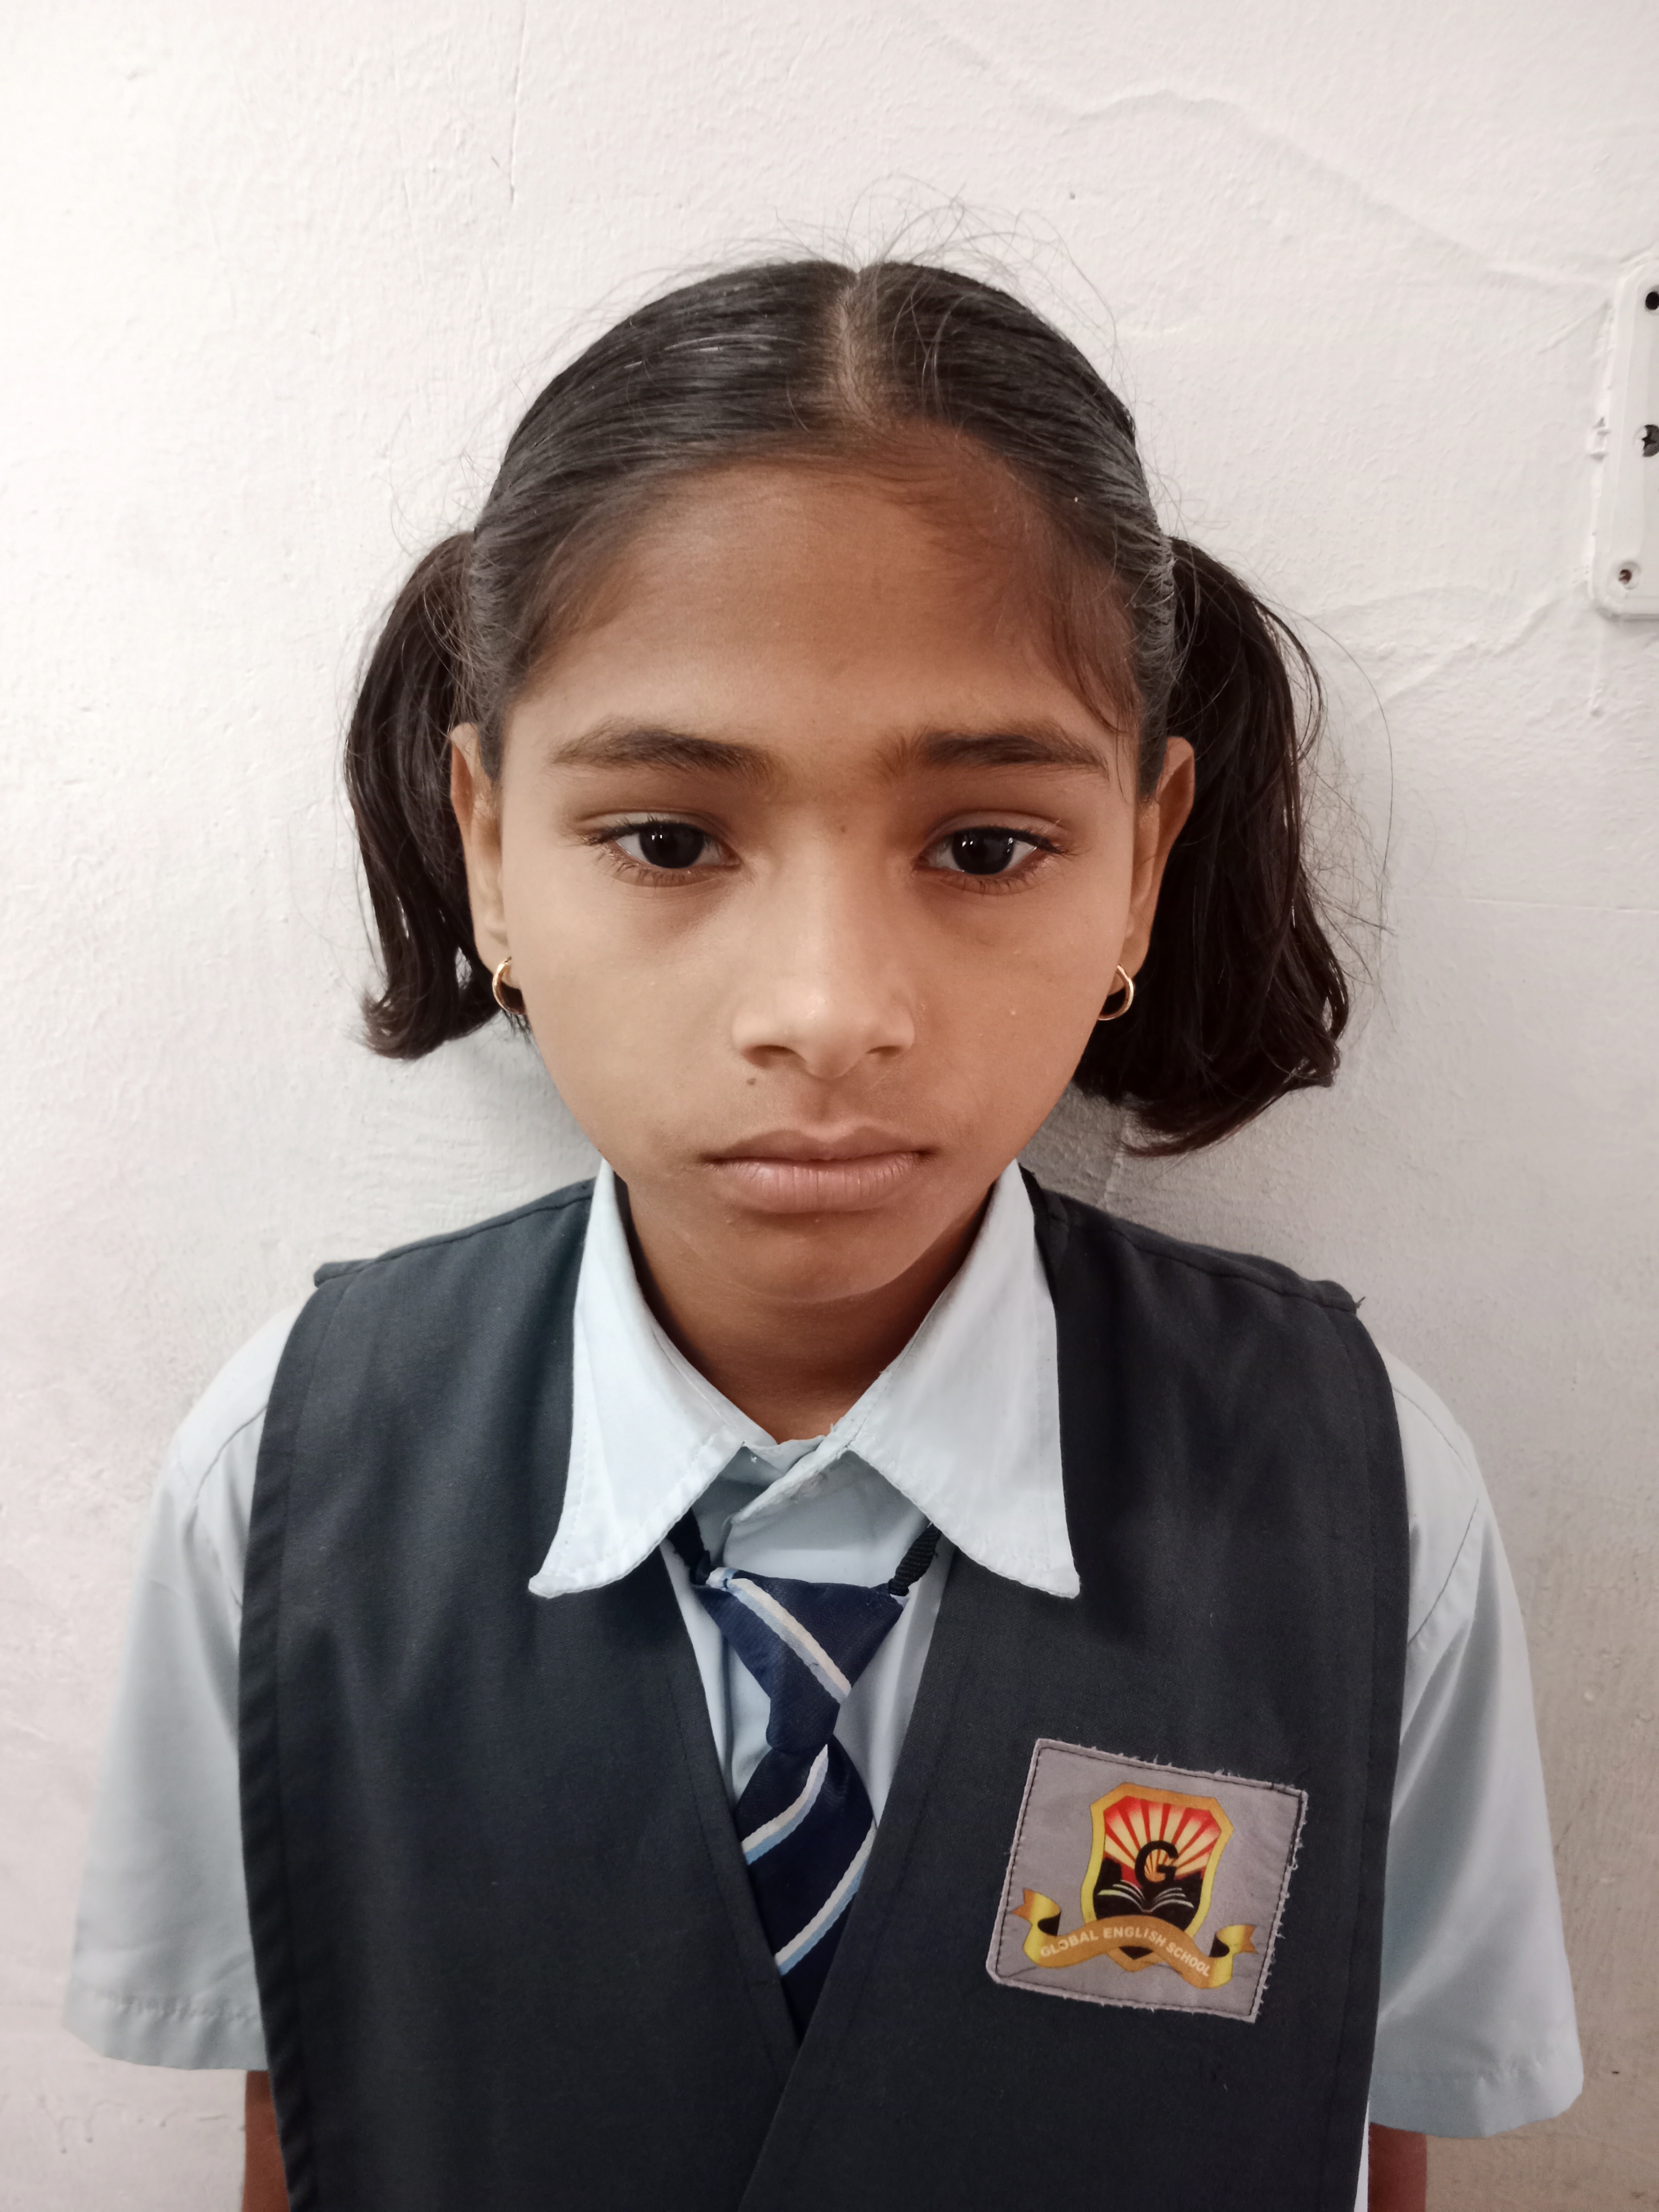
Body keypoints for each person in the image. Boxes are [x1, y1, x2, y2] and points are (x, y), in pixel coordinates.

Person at [64, 259, 1580, 2212]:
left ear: (1140, 864)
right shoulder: (284, 1480)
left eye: (983, 846)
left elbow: (1361, 2142)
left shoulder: (1361, 1498)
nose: (827, 1010)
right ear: (489, 848)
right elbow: (305, 2122)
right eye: (668, 839)